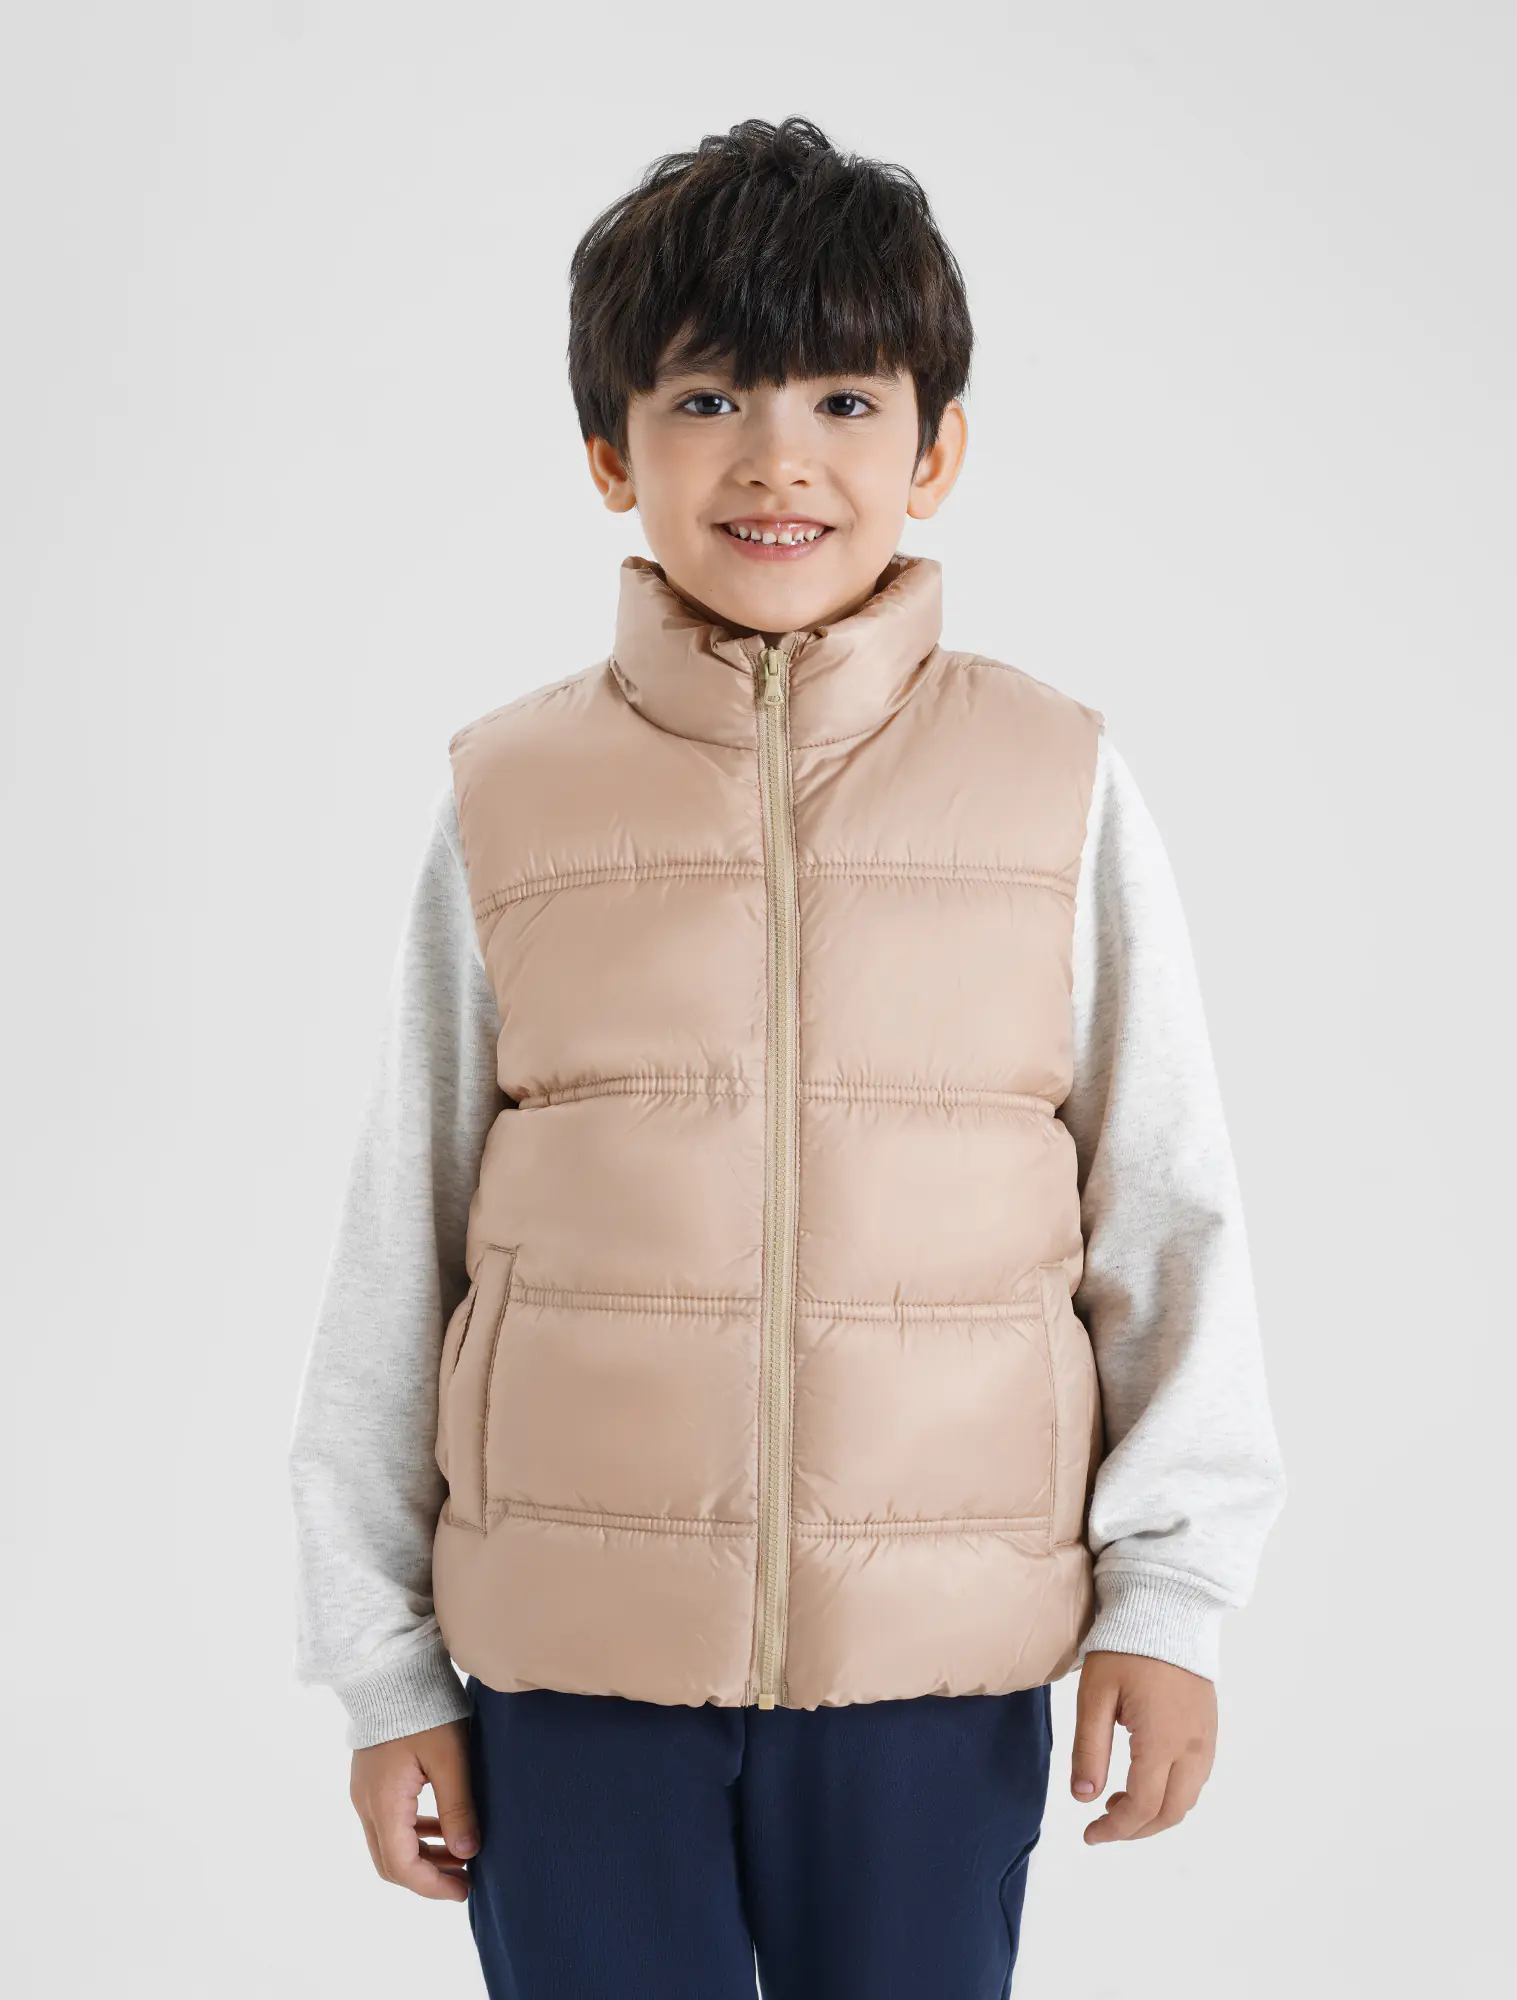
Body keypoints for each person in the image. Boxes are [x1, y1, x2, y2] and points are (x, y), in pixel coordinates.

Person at [288, 115, 1287, 1999]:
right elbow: (402, 1240)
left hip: (935, 1662)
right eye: (706, 398)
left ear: (936, 449)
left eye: (843, 397)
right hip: (570, 1665)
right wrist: (384, 1668)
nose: (777, 458)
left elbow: (1165, 1201)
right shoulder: (509, 795)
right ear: (611, 453)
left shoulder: (1054, 781)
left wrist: (1172, 1596)